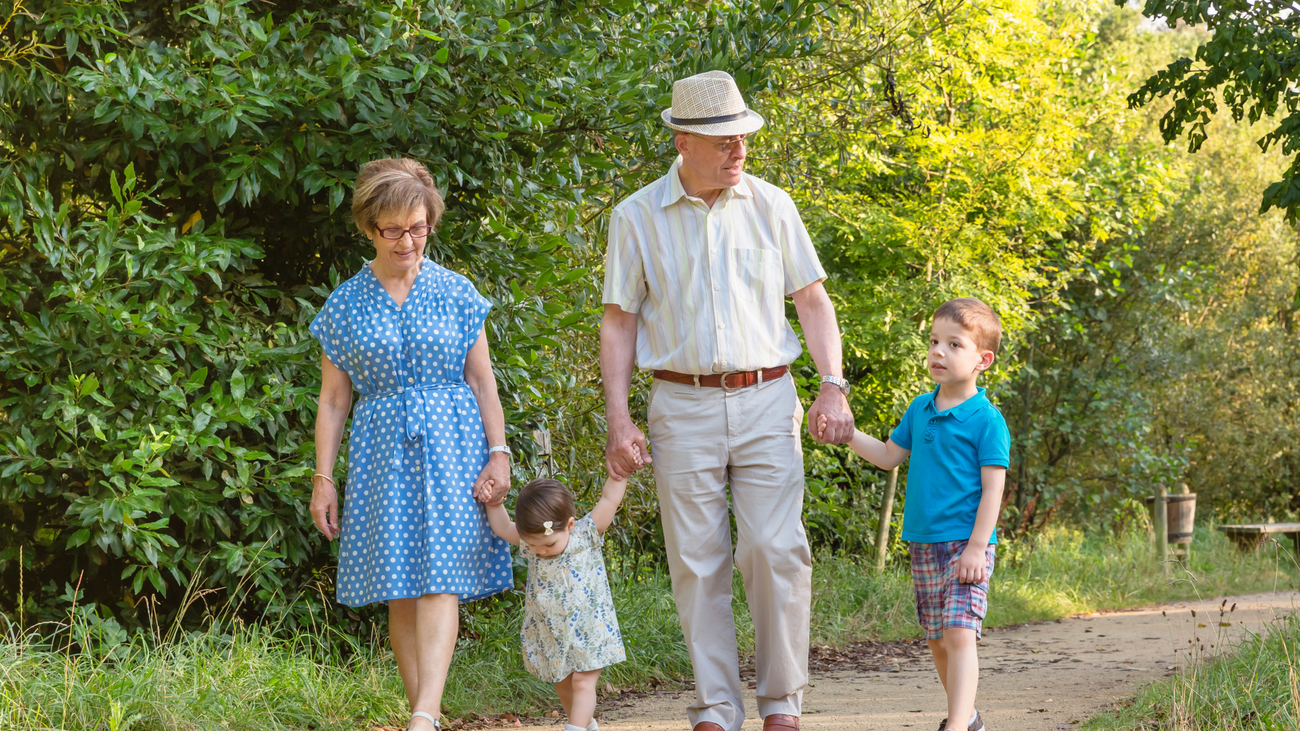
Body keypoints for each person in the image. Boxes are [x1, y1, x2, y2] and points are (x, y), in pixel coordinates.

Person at [600, 70, 855, 731]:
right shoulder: (635, 217)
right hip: (679, 404)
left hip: (768, 397)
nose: (738, 148)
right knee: (696, 560)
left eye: (742, 134)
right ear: (682, 141)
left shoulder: (773, 205)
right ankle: (717, 706)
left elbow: (813, 301)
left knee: (774, 547)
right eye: (722, 139)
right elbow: (619, 322)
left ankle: (781, 702)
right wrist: (620, 417)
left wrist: (833, 383)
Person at [308, 158, 514, 731]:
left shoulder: (456, 292)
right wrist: (324, 479)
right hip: (380, 451)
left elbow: (481, 380)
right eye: (393, 229)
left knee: (441, 577)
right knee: (400, 586)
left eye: (418, 227)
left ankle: (425, 711)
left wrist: (499, 452)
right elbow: (332, 401)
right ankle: (424, 711)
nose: (408, 240)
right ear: (369, 228)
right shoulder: (346, 305)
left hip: (453, 444)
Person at [820, 297, 1008, 731]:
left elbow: (993, 490)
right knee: (938, 640)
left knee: (961, 633)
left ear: (984, 360)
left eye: (954, 345)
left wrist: (978, 547)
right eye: (934, 341)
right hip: (923, 543)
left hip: (966, 544)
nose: (938, 351)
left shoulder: (987, 420)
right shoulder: (920, 408)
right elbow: (888, 456)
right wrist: (848, 434)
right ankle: (970, 717)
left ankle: (956, 725)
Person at [479, 470, 631, 731]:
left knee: (582, 683)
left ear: (569, 525)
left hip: (589, 629)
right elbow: (503, 527)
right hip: (553, 633)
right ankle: (586, 725)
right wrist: (493, 501)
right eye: (534, 545)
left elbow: (608, 500)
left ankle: (574, 728)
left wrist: (621, 471)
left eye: (548, 545)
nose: (539, 551)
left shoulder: (584, 534)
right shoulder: (533, 540)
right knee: (562, 684)